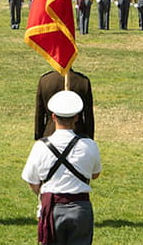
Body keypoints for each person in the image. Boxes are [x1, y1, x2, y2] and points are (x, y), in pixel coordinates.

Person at [21, 90, 102, 245]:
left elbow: (31, 180)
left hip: (52, 208)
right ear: (76, 117)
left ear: (53, 117)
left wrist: (43, 193)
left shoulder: (40, 147)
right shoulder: (90, 145)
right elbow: (95, 174)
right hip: (81, 208)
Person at [35, 69, 94, 140]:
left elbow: (40, 114)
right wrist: (89, 138)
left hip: (50, 133)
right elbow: (88, 116)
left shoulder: (45, 80)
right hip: (78, 134)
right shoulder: (83, 81)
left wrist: (39, 136)